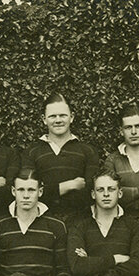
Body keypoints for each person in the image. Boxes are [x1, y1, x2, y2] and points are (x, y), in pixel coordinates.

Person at [21, 93, 100, 222]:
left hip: (79, 222)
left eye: (62, 115)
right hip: (41, 222)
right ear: (44, 119)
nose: (58, 120)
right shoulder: (31, 152)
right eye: (52, 116)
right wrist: (67, 186)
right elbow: (28, 192)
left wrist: (48, 191)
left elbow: (90, 193)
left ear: (71, 117)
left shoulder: (88, 151)